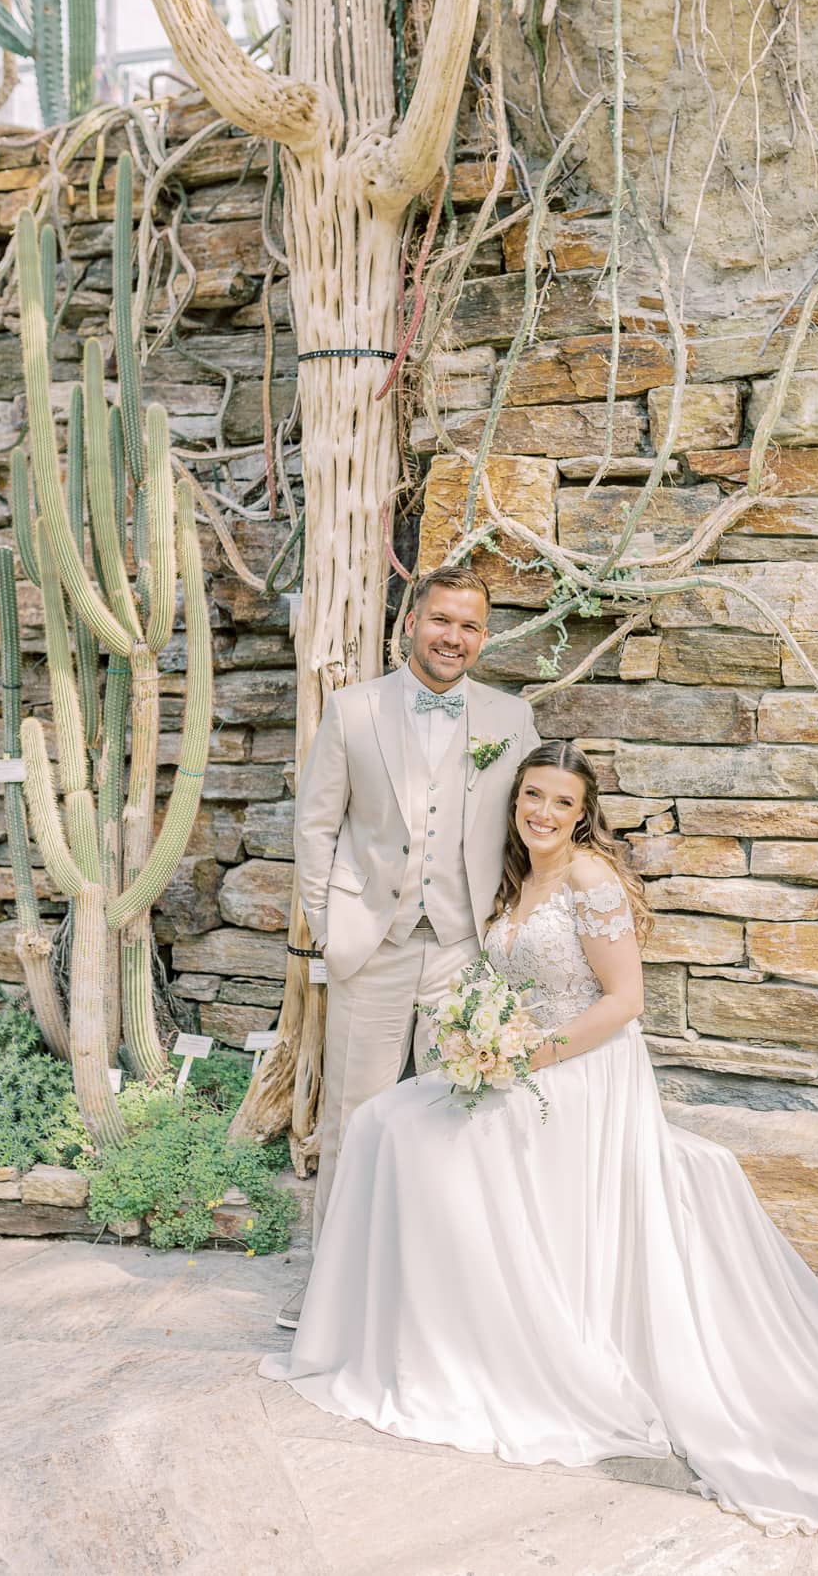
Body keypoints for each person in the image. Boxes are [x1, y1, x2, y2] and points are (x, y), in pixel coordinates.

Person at [261, 740, 818, 1535]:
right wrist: (481, 1042)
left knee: (430, 1145)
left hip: (583, 1070)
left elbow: (623, 1001)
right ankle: (404, 1339)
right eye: (532, 795)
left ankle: (486, 1349)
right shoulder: (520, 879)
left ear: (583, 812)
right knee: (384, 1120)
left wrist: (523, 1056)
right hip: (520, 1060)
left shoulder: (591, 880)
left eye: (560, 801)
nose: (542, 812)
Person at [280, 564, 538, 1328]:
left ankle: (439, 1295)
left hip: (464, 947)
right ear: (411, 622)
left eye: (469, 625)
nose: (453, 636)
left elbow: (531, 827)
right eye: (441, 620)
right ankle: (331, 1289)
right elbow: (316, 826)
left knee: (457, 1115)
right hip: (375, 944)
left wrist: (509, 932)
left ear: (483, 637)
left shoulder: (510, 718)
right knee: (354, 1118)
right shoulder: (354, 710)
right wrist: (330, 929)